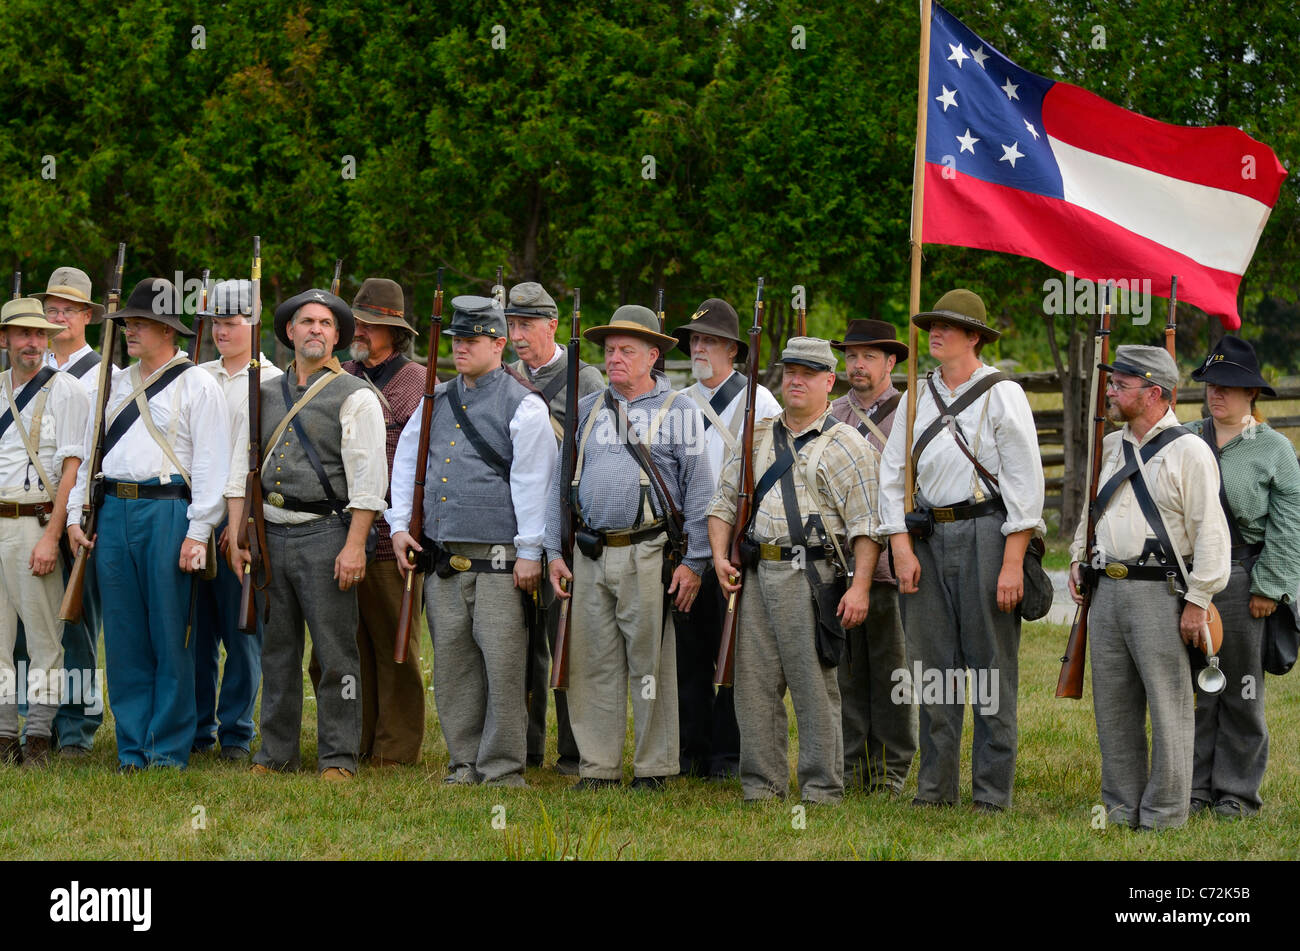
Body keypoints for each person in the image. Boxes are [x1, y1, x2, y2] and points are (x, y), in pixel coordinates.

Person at [878, 289, 1044, 812]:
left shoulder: (1002, 393)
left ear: (973, 337)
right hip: (925, 538)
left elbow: (1025, 485)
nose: (935, 333)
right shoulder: (917, 394)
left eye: (948, 327)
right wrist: (900, 548)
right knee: (932, 671)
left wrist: (1013, 562)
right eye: (932, 325)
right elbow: (891, 477)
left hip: (986, 535)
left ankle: (992, 796)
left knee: (991, 669)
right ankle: (935, 790)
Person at [389, 295, 556, 786]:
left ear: (499, 344)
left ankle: (502, 768)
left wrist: (530, 551)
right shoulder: (434, 400)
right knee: (455, 669)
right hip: (443, 562)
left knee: (505, 670)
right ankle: (463, 763)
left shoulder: (524, 404)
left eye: (472, 340)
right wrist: (400, 526)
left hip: (503, 565)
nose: (460, 348)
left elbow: (534, 483)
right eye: (457, 339)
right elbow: (408, 465)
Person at [66, 278, 231, 772]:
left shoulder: (197, 383)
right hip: (112, 509)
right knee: (123, 637)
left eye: (138, 324)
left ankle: (166, 749)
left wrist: (198, 531)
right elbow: (88, 450)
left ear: (165, 329)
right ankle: (132, 748)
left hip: (167, 512)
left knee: (171, 634)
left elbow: (210, 466)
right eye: (128, 324)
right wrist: (77, 512)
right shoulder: (112, 382)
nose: (129, 331)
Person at [545, 305, 712, 790]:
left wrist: (696, 561)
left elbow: (700, 492)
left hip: (649, 551)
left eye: (626, 351)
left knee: (650, 665)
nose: (614, 358)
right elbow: (561, 484)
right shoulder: (591, 406)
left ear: (653, 356)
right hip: (590, 554)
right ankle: (597, 767)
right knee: (592, 665)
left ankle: (653, 768)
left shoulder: (678, 409)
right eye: (610, 350)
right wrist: (555, 553)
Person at [226, 288, 387, 782]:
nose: (315, 329)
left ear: (337, 335)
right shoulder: (265, 392)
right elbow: (241, 469)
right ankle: (275, 754)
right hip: (271, 537)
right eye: (306, 322)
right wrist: (236, 536)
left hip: (327, 534)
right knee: (277, 651)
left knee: (337, 656)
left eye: (325, 323)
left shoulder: (356, 396)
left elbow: (368, 481)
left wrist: (355, 544)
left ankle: (338, 757)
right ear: (289, 332)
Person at [1067, 344, 1230, 830]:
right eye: (1112, 383)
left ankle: (1163, 814)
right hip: (1108, 589)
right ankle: (1120, 809)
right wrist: (1079, 557)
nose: (1111, 392)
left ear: (1154, 392)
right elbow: (1091, 509)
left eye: (1120, 385)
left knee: (1168, 707)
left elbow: (1211, 533)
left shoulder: (1190, 450)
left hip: (1161, 591)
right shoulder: (1112, 444)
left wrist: (1198, 600)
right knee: (1113, 708)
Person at [708, 337, 877, 803]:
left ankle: (822, 787)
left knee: (814, 688)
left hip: (814, 576)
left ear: (829, 381)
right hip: (757, 574)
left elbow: (867, 527)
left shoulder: (848, 446)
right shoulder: (757, 436)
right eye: (790, 371)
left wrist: (860, 587)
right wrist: (721, 556)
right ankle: (761, 786)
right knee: (754, 687)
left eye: (808, 373)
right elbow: (723, 503)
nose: (796, 380)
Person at [1185, 336, 1300, 820]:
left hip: (1243, 578)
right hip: (1190, 582)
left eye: (1229, 386)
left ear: (1251, 393)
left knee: (1241, 691)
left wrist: (1269, 587)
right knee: (1194, 690)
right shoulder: (1186, 438)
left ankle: (1236, 792)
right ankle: (1193, 786)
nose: (1218, 394)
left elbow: (1288, 523)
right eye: (1212, 384)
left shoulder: (1274, 450)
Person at [671, 297, 779, 779]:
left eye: (710, 341)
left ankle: (727, 755)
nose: (699, 348)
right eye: (695, 340)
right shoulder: (679, 402)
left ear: (733, 351)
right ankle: (690, 750)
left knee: (737, 657)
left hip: (741, 548)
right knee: (689, 654)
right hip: (694, 547)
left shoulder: (762, 404)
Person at [505, 281, 603, 774]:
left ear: (552, 325)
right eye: (511, 325)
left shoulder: (587, 380)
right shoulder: (506, 377)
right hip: (519, 528)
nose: (517, 335)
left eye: (526, 325)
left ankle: (573, 752)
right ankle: (524, 748)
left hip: (565, 531)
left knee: (566, 644)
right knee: (520, 647)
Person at [337, 277, 428, 767]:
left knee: (395, 649)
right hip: (341, 532)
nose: (363, 332)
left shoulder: (414, 381)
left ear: (395, 333)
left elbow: (420, 464)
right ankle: (355, 739)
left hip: (390, 537)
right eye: (359, 323)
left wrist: (405, 528)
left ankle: (395, 749)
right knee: (346, 649)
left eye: (372, 325)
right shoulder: (342, 372)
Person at [192, 280, 282, 761]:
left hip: (241, 527)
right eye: (215, 322)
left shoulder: (273, 382)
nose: (220, 331)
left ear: (254, 324)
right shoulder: (195, 375)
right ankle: (199, 727)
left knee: (242, 633)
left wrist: (241, 523)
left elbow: (262, 464)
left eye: (231, 322)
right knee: (196, 633)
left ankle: (236, 732)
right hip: (194, 521)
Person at [19, 267, 106, 757]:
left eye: (67, 310)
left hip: (77, 512)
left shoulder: (105, 373)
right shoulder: (26, 368)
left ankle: (76, 726)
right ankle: (35, 722)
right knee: (27, 628)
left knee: (75, 622)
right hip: (25, 513)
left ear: (87, 316)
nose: (57, 317)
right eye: (50, 310)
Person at [828, 318, 917, 793]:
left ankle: (892, 770)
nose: (857, 365)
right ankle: (850, 765)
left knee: (892, 674)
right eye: (851, 356)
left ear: (890, 362)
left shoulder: (909, 413)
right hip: (838, 563)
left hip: (888, 568)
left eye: (868, 357)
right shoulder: (831, 413)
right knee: (843, 675)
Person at [0, 300, 89, 767]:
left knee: (43, 643)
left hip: (34, 524)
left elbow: (72, 469)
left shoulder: (68, 390)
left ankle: (37, 737)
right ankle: (2, 735)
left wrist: (51, 536)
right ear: (5, 340)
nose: (32, 342)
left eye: (39, 334)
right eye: (22, 334)